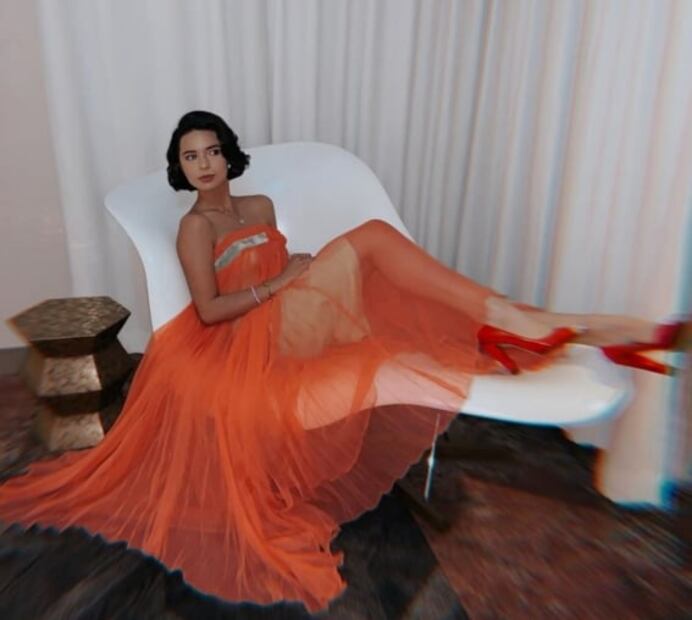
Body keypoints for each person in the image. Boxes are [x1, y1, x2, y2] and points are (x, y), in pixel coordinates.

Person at [0, 111, 684, 613]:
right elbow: (207, 311)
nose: (203, 164)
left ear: (229, 156)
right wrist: (282, 280)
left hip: (293, 324)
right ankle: (524, 324)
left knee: (387, 282)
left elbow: (292, 272)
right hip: (246, 337)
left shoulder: (261, 204)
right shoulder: (194, 227)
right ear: (179, 168)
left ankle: (536, 326)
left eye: (212, 151)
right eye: (189, 156)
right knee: (374, 241)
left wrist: (298, 280)